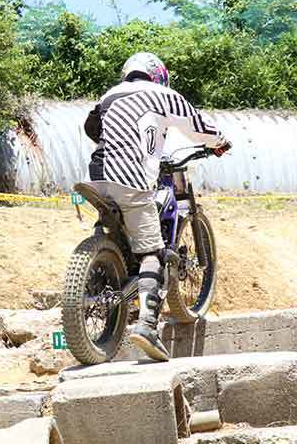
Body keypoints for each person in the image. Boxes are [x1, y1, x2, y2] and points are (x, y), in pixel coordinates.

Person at [84, 52, 229, 361]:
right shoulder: (163, 94)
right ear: (158, 74)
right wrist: (220, 142)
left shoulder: (108, 95)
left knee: (118, 227)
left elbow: (91, 129)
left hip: (97, 175)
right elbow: (198, 126)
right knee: (153, 252)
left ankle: (105, 269)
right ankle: (147, 325)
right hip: (131, 178)